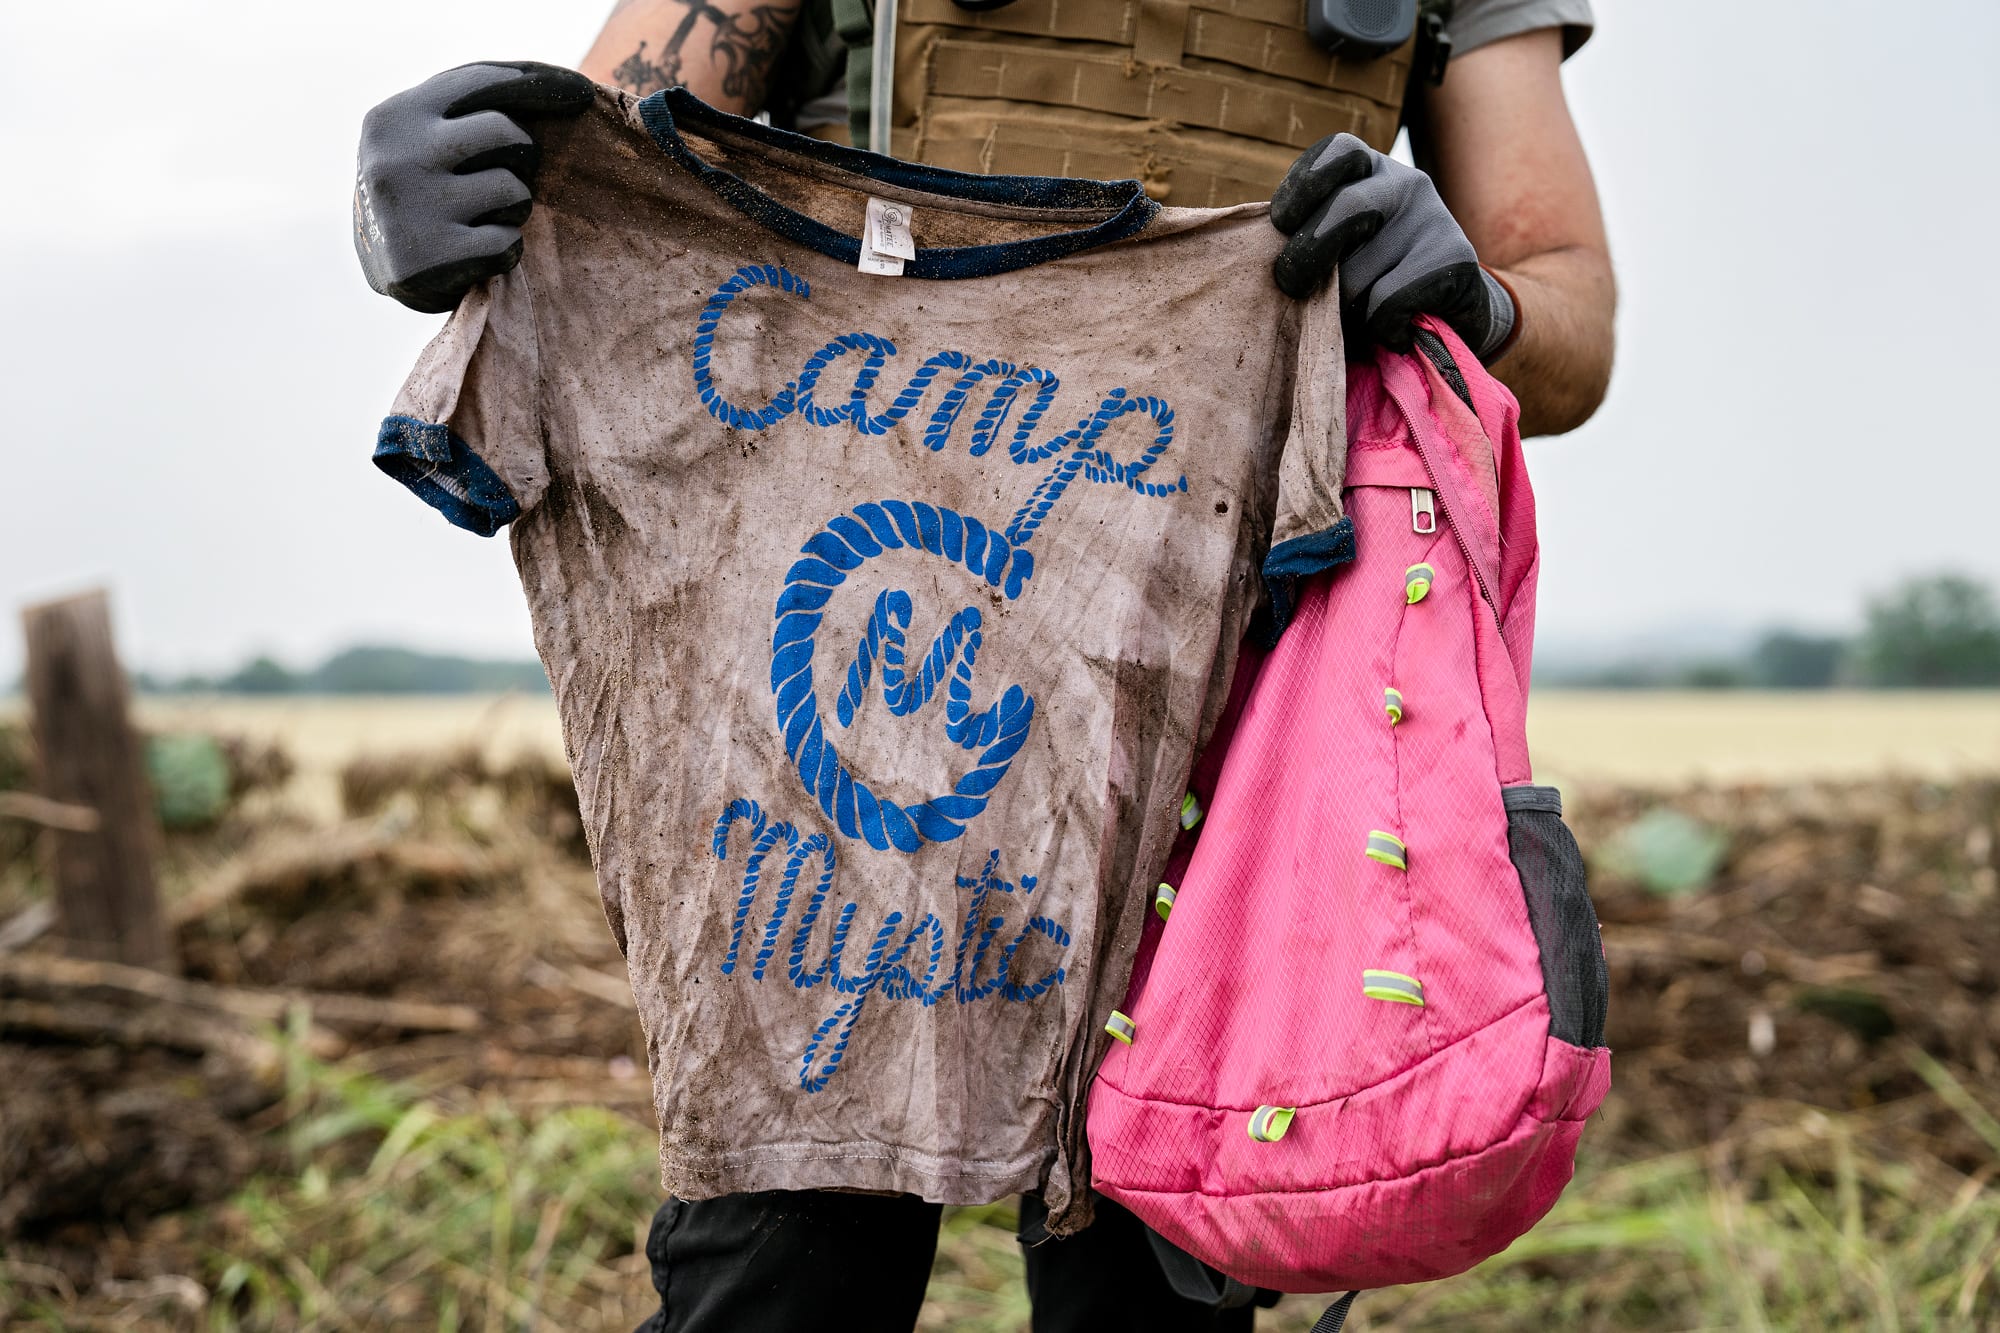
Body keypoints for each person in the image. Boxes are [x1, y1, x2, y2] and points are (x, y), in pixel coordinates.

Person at [351, 3, 1612, 1328]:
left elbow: (1572, 321)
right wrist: (465, 197)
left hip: (1231, 690)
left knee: (1155, 1288)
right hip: (863, 656)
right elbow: (601, 166)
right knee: (790, 1277)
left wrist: (1483, 304)